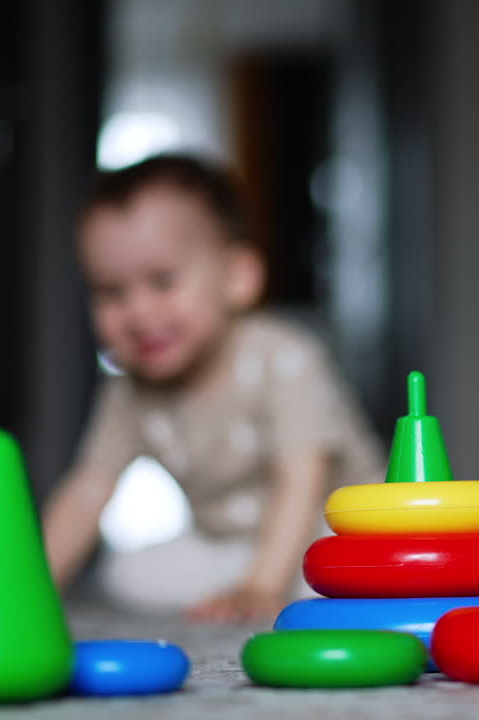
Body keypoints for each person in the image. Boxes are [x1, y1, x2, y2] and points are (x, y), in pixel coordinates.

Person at [42, 154, 384, 623]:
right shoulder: (129, 390)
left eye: (162, 282)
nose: (139, 314)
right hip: (234, 546)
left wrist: (262, 586)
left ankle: (279, 584)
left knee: (348, 567)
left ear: (236, 278)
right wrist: (34, 587)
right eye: (111, 293)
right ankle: (258, 582)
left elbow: (299, 479)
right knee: (128, 573)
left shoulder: (285, 357)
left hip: (333, 534)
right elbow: (87, 490)